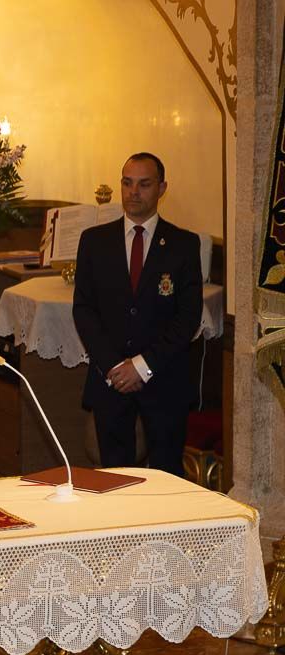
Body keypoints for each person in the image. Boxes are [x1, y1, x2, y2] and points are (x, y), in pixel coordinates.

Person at [72, 153, 203, 476]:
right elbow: (84, 310)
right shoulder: (94, 241)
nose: (134, 192)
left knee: (166, 477)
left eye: (144, 184)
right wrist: (116, 366)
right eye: (127, 183)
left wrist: (142, 367)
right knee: (114, 478)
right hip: (111, 380)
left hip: (164, 380)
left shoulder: (183, 245)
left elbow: (187, 319)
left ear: (162, 188)